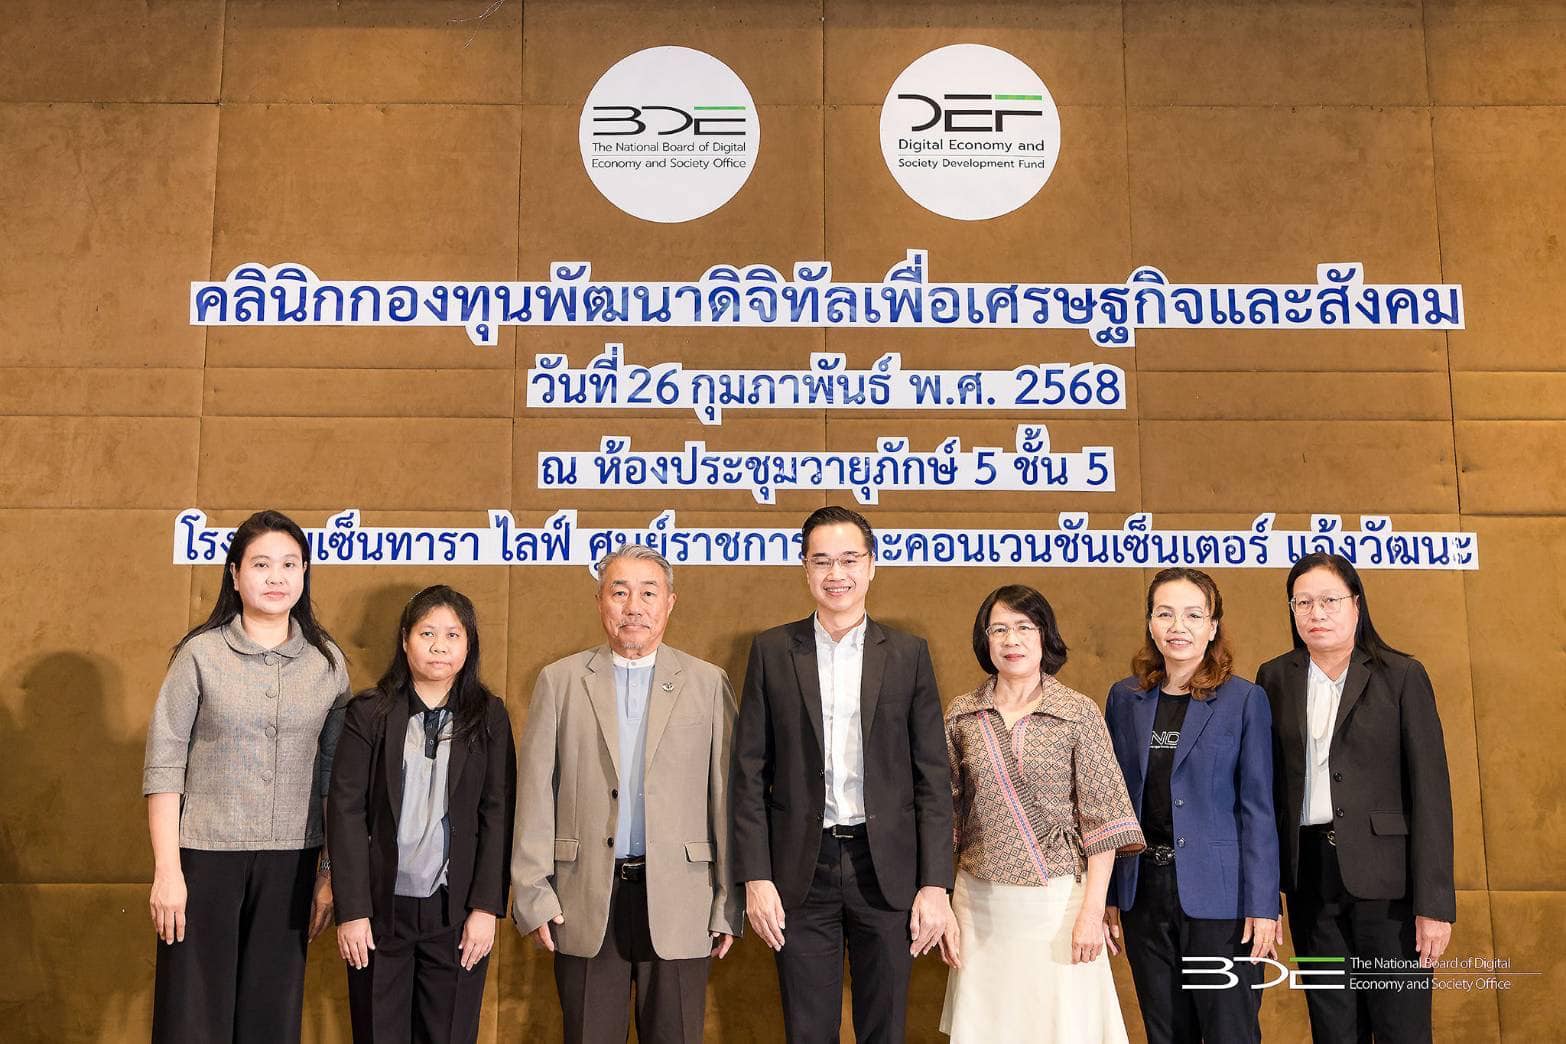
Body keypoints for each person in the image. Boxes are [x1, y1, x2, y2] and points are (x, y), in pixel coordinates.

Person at [731, 506, 954, 1044]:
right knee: (808, 1031)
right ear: (804, 568)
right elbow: (749, 774)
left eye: (850, 559)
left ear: (872, 566)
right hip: (799, 873)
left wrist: (935, 883)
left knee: (885, 1029)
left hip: (888, 871)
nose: (837, 574)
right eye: (822, 560)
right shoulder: (771, 650)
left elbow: (932, 777)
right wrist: (755, 877)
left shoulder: (907, 654)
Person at [511, 545, 741, 1044]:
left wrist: (728, 900)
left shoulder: (707, 683)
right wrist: (532, 892)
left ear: (669, 603)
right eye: (619, 592)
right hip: (582, 896)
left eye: (648, 593)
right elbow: (534, 794)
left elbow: (726, 799)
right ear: (600, 602)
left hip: (683, 898)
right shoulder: (560, 681)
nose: (633, 606)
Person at [142, 509, 350, 1044]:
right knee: (192, 1018)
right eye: (261, 564)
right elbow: (164, 766)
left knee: (271, 1019)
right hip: (204, 858)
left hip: (293, 862)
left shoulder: (327, 663)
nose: (276, 577)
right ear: (234, 575)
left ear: (305, 573)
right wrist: (168, 872)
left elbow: (337, 778)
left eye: (289, 564)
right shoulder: (199, 654)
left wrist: (328, 871)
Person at [1259, 552, 1455, 1043]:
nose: (1316, 613)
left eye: (1329, 600)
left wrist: (1435, 905)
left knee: (1401, 1028)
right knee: (1333, 1028)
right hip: (1310, 881)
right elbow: (1267, 790)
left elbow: (1431, 795)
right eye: (1303, 603)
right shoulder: (1274, 678)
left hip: (1390, 887)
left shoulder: (1401, 675)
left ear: (1356, 604)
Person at [940, 583, 1145, 1043]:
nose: (1011, 640)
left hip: (1059, 903)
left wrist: (1093, 910)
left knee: (1063, 1024)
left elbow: (1104, 820)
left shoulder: (1077, 712)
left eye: (1023, 628)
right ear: (984, 640)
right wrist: (940, 898)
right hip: (979, 903)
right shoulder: (962, 714)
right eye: (998, 630)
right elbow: (943, 813)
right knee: (990, 1025)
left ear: (1044, 635)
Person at [327, 585, 516, 1043]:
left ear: (469, 645)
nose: (439, 646)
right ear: (405, 640)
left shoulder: (489, 716)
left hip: (456, 913)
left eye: (453, 635)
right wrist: (352, 910)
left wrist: (486, 908)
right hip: (378, 912)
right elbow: (345, 811)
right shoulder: (368, 713)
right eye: (427, 633)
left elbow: (498, 814)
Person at [1103, 568, 1279, 1044]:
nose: (1177, 626)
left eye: (1193, 615)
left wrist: (1264, 904)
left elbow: (1259, 809)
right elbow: (1112, 804)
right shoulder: (1125, 698)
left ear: (1213, 625)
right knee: (1165, 1032)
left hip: (1222, 898)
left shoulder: (1244, 699)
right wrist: (1111, 894)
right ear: (1150, 623)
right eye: (1165, 614)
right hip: (1144, 894)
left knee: (1229, 1031)